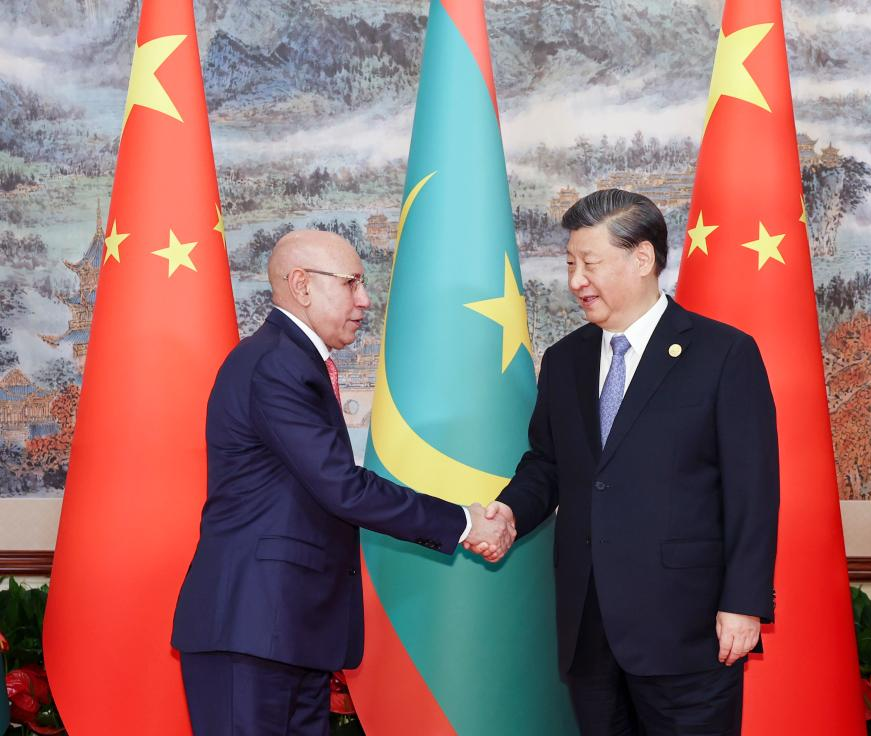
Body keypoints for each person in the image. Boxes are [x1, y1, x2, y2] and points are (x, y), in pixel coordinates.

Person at [172, 229, 512, 735]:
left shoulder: (294, 361)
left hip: (289, 631)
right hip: (252, 628)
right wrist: (463, 521)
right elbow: (343, 488)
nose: (365, 299)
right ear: (302, 285)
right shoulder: (275, 365)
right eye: (352, 283)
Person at [476, 190, 779, 736]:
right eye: (570, 264)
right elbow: (547, 464)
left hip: (687, 627)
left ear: (642, 259)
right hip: (589, 628)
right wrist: (509, 512)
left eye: (589, 264)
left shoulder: (723, 354)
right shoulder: (565, 361)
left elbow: (753, 490)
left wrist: (744, 603)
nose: (575, 281)